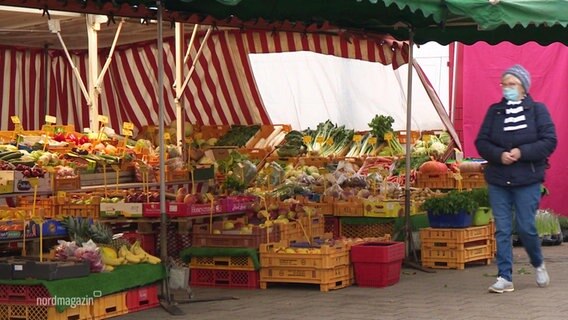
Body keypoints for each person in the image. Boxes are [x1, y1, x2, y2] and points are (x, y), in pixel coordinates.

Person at [475, 64, 557, 293]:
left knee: (525, 226)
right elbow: (482, 142)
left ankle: (538, 263)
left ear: (523, 86)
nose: (507, 88)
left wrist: (522, 152)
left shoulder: (538, 110)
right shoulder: (494, 111)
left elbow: (549, 140)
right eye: (504, 84)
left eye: (512, 84)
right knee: (502, 228)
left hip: (527, 178)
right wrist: (498, 155)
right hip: (498, 178)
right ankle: (504, 277)